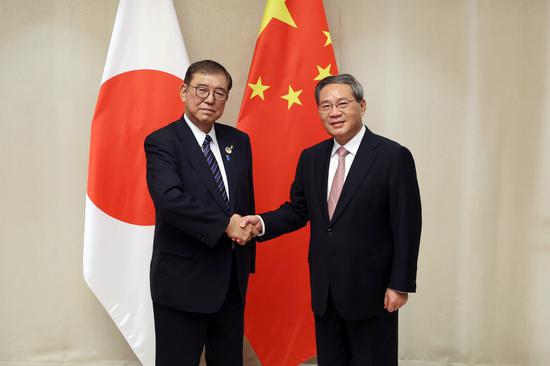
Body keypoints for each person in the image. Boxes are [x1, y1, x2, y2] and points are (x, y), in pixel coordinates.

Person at [240, 74, 422, 366]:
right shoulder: (311, 158)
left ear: (362, 106)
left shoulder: (392, 156)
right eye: (325, 106)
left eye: (342, 103)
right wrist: (260, 223)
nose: (334, 112)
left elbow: (407, 226)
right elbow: (298, 211)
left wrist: (399, 284)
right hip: (325, 290)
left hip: (373, 291)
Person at [144, 60, 256, 366]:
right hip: (183, 283)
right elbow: (169, 199)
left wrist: (247, 233)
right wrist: (226, 225)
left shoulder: (239, 142)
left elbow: (244, 202)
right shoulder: (162, 141)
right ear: (183, 91)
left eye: (220, 93)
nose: (210, 99)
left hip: (231, 281)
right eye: (202, 89)